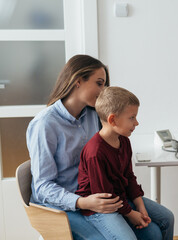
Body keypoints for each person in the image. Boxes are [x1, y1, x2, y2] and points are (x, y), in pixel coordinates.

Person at [27, 54, 123, 240]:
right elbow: (42, 186)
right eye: (99, 83)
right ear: (78, 81)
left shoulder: (93, 115)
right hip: (60, 207)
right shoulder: (45, 124)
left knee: (153, 229)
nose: (103, 91)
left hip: (91, 196)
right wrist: (82, 202)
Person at [75, 86, 174, 240]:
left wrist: (140, 206)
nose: (137, 123)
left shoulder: (124, 142)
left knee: (167, 217)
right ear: (112, 119)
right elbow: (105, 198)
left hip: (121, 198)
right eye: (132, 118)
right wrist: (130, 213)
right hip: (101, 209)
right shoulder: (95, 153)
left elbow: (129, 177)